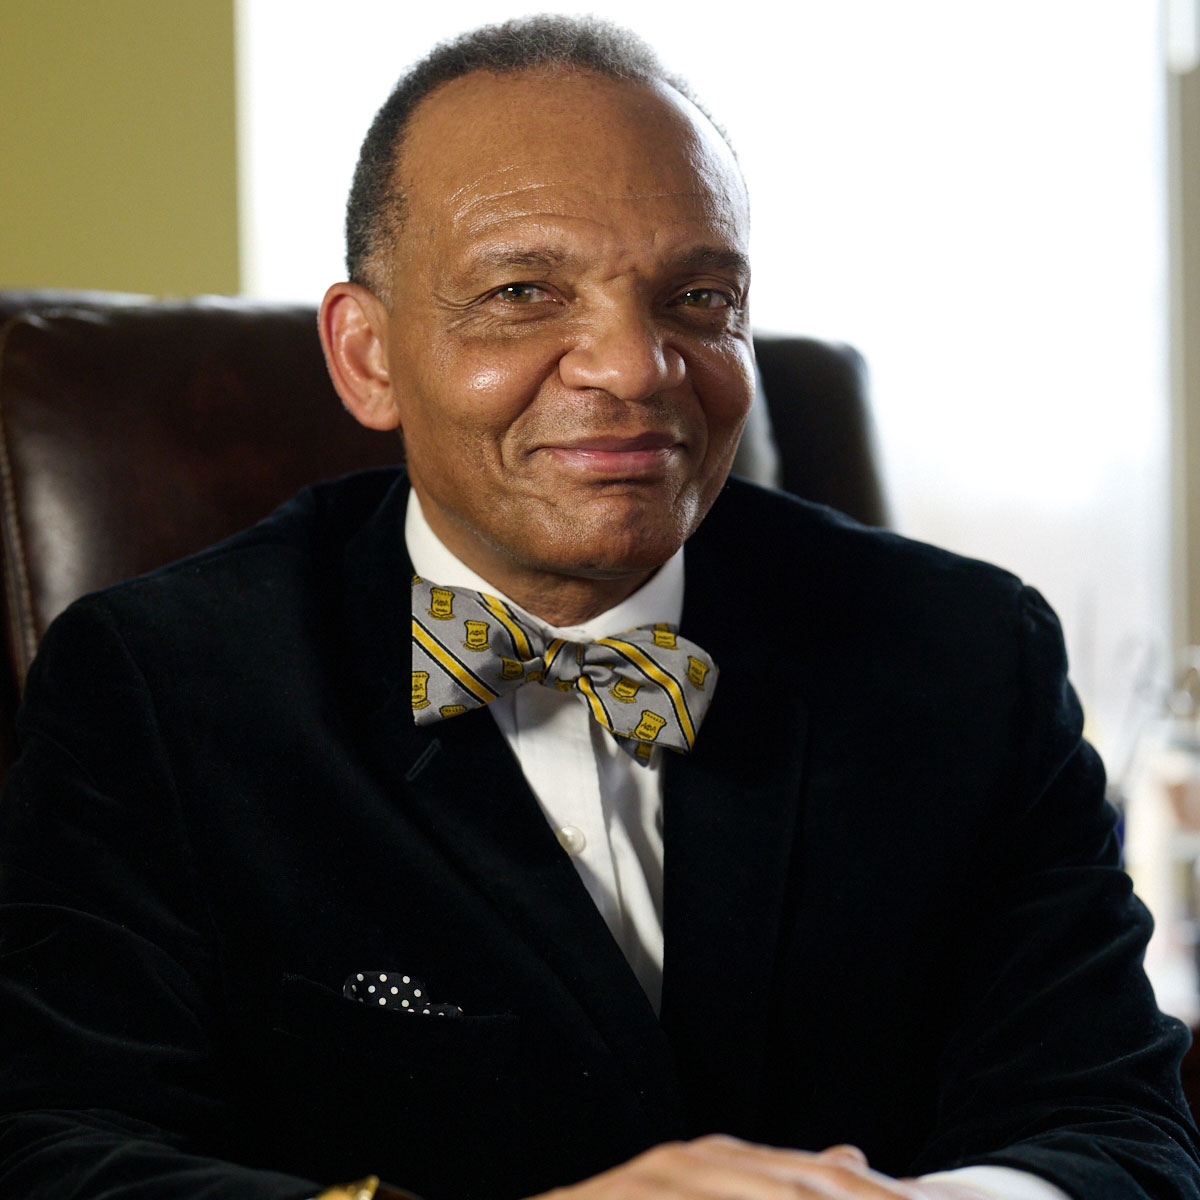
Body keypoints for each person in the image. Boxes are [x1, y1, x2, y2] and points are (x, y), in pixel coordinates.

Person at [0, 15, 1197, 1200]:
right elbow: (59, 1150)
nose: (632, 366)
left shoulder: (969, 655)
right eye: (523, 290)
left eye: (697, 294)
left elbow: (1117, 1127)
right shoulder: (155, 687)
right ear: (367, 355)